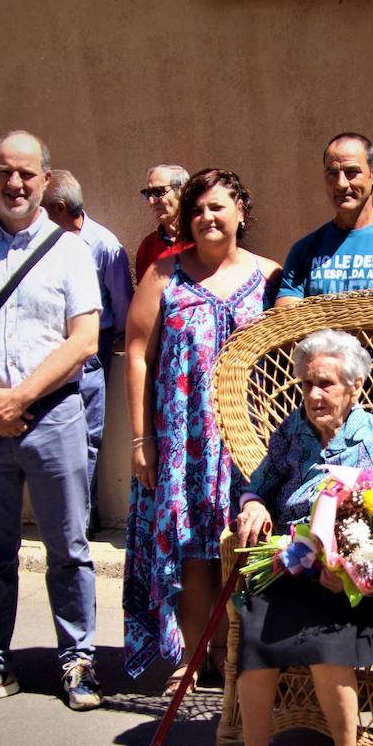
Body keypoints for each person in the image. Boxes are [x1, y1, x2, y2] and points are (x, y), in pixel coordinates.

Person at [0, 131, 103, 713]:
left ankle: (77, 660)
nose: (15, 184)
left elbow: (83, 340)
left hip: (54, 417)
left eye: (27, 174)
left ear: (46, 180)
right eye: (5, 172)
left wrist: (21, 397)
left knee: (70, 548)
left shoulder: (71, 251)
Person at [221, 330, 373, 746]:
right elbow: (255, 485)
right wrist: (255, 503)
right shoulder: (293, 433)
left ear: (354, 389)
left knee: (329, 644)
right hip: (293, 564)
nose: (313, 396)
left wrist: (354, 563)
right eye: (307, 385)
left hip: (354, 582)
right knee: (256, 637)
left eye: (325, 384)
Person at [123, 169, 279, 689]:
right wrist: (141, 439)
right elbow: (139, 353)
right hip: (180, 440)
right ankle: (191, 660)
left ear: (241, 211)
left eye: (218, 206)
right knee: (191, 548)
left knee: (242, 547)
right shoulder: (164, 273)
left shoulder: (273, 277)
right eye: (198, 210)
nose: (208, 218)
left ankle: (235, 659)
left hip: (247, 439)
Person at [43, 170, 134, 535]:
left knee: (87, 437)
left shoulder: (103, 245)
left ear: (61, 208)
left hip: (93, 344)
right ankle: (64, 514)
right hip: (52, 344)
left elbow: (122, 301)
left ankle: (82, 517)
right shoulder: (45, 241)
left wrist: (118, 340)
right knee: (54, 432)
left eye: (44, 208)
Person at [272, 132, 373, 307]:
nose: (341, 184)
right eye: (332, 173)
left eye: (351, 172)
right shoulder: (303, 250)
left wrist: (317, 318)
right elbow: (287, 320)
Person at [134, 164, 190, 283]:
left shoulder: (202, 239)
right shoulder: (147, 246)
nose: (151, 201)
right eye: (147, 194)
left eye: (158, 192)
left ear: (183, 191)